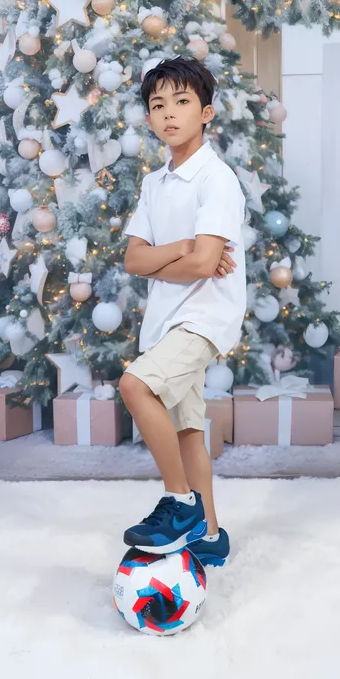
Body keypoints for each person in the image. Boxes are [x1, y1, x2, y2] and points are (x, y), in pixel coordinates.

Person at [119, 56, 246, 567]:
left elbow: (203, 267)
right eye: (158, 104)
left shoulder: (216, 179)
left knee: (136, 385)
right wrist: (186, 246)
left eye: (182, 101)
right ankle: (210, 535)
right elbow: (134, 259)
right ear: (149, 119)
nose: (169, 113)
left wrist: (180, 256)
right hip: (166, 321)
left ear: (207, 112)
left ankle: (181, 503)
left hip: (205, 316)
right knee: (189, 429)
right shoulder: (154, 185)